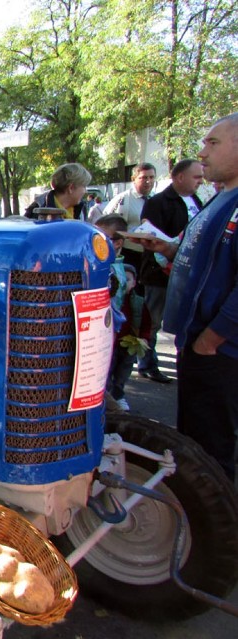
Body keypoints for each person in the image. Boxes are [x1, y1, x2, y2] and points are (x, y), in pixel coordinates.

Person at [133, 113, 238, 480]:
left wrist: (213, 338)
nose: (202, 152)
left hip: (219, 350)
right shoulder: (220, 199)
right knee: (197, 439)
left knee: (213, 450)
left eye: (213, 143)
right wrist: (166, 248)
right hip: (198, 342)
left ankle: (216, 529)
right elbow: (207, 257)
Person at [136, 159, 204, 384]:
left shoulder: (196, 200)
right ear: (180, 177)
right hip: (159, 273)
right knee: (152, 322)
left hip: (188, 272)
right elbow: (150, 235)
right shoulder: (159, 202)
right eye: (196, 177)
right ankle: (147, 364)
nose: (200, 181)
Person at [109, 264, 154, 412]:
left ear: (135, 282)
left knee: (123, 372)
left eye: (128, 280)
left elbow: (147, 323)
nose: (125, 283)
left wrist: (144, 337)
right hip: (112, 345)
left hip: (130, 344)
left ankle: (119, 396)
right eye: (122, 280)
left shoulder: (139, 303)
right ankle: (109, 397)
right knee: (109, 371)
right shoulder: (112, 300)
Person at [24, 163, 91, 220]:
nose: (85, 191)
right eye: (84, 186)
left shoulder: (81, 209)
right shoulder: (36, 210)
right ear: (71, 188)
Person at [102, 162, 158, 227]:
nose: (148, 181)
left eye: (151, 177)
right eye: (144, 177)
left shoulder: (158, 200)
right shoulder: (122, 199)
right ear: (133, 179)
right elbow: (104, 224)